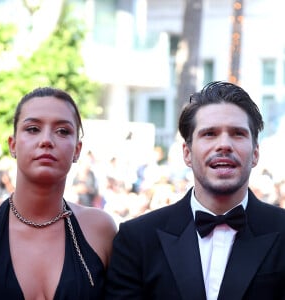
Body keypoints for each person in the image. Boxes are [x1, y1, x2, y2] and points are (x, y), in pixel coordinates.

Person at [105, 81, 285, 299]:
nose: (224, 145)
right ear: (187, 153)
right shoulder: (137, 240)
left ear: (255, 153)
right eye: (209, 133)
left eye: (237, 133)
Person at [0, 87, 117, 299]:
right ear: (13, 144)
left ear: (77, 150)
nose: (46, 140)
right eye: (33, 129)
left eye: (63, 131)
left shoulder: (100, 230)